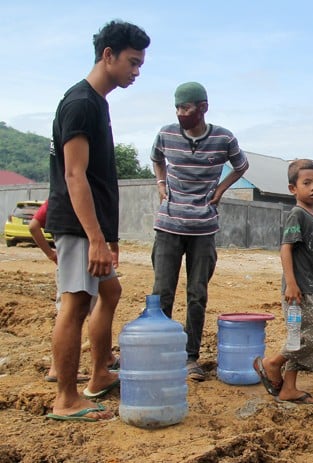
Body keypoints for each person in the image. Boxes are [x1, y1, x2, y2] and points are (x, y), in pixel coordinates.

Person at [44, 20, 150, 422]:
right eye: (132, 62)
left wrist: (109, 235)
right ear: (109, 55)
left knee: (111, 292)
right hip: (77, 226)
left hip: (93, 227)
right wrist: (94, 238)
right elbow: (75, 175)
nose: (136, 72)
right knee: (75, 305)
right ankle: (66, 399)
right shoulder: (80, 103)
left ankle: (100, 371)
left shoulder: (97, 103)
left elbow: (99, 176)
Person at [151, 81, 249, 381]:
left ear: (203, 108)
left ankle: (190, 357)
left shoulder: (223, 138)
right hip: (169, 225)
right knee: (162, 292)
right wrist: (161, 183)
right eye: (177, 108)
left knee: (197, 295)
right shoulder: (166, 134)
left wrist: (220, 190)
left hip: (204, 228)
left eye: (186, 108)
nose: (181, 113)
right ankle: (161, 354)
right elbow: (156, 159)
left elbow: (242, 165)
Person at [253, 159, 313, 405]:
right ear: (293, 189)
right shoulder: (297, 214)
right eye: (306, 183)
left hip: (312, 288)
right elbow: (285, 249)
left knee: (297, 336)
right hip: (300, 289)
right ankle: (272, 363)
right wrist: (291, 283)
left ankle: (289, 388)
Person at [30, 200, 118, 383]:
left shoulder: (57, 201)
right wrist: (51, 254)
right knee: (76, 310)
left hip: (77, 256)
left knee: (94, 304)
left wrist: (52, 254)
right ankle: (61, 371)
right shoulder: (68, 199)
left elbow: (34, 226)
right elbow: (33, 226)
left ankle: (105, 359)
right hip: (81, 254)